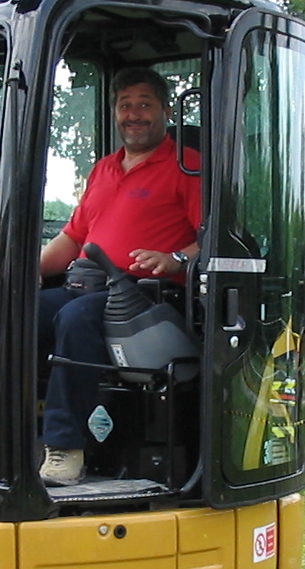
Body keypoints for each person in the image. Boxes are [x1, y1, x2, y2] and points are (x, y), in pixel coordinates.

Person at [36, 67, 200, 486]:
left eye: (144, 104)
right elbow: (71, 239)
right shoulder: (103, 170)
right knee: (10, 312)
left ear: (166, 110)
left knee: (76, 320)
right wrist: (17, 272)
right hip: (86, 284)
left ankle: (64, 449)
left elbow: (217, 237)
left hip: (146, 299)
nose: (134, 114)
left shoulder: (188, 166)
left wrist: (177, 258)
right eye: (125, 105)